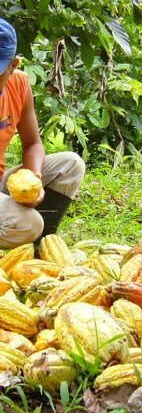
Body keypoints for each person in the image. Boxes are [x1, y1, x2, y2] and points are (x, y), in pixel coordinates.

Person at [0, 18, 85, 248]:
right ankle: (26, 235)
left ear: (13, 65)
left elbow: (32, 144)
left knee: (71, 165)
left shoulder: (18, 84)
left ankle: (39, 251)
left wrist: (34, 178)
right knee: (27, 224)